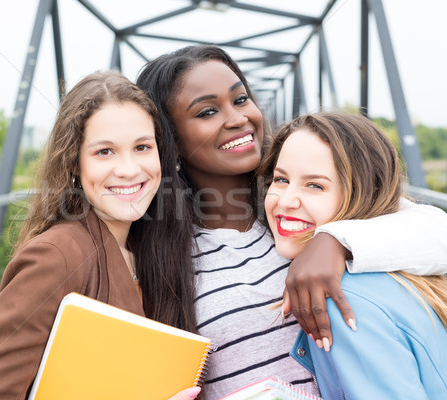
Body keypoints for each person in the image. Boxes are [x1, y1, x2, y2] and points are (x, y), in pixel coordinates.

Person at [136, 45, 447, 399]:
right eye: (208, 111)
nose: (237, 118)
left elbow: (436, 231)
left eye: (240, 100)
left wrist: (335, 241)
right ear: (172, 141)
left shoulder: (306, 210)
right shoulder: (162, 250)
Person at [0, 71, 200, 399]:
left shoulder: (143, 249)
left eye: (142, 147)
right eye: (104, 152)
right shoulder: (57, 255)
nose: (128, 169)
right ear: (74, 164)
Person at [261, 111, 447, 399]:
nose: (285, 200)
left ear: (364, 194)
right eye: (280, 179)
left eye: (315, 185)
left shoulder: (341, 300)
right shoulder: (412, 274)